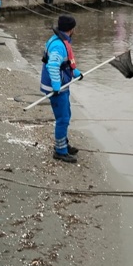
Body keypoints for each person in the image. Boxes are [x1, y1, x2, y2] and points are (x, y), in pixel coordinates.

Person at [40, 15, 83, 163]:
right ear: (71, 29)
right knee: (63, 119)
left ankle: (64, 143)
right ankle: (60, 151)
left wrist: (75, 72)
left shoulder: (58, 39)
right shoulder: (59, 45)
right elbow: (52, 65)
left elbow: (66, 63)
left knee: (67, 113)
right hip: (56, 88)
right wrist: (56, 86)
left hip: (62, 85)